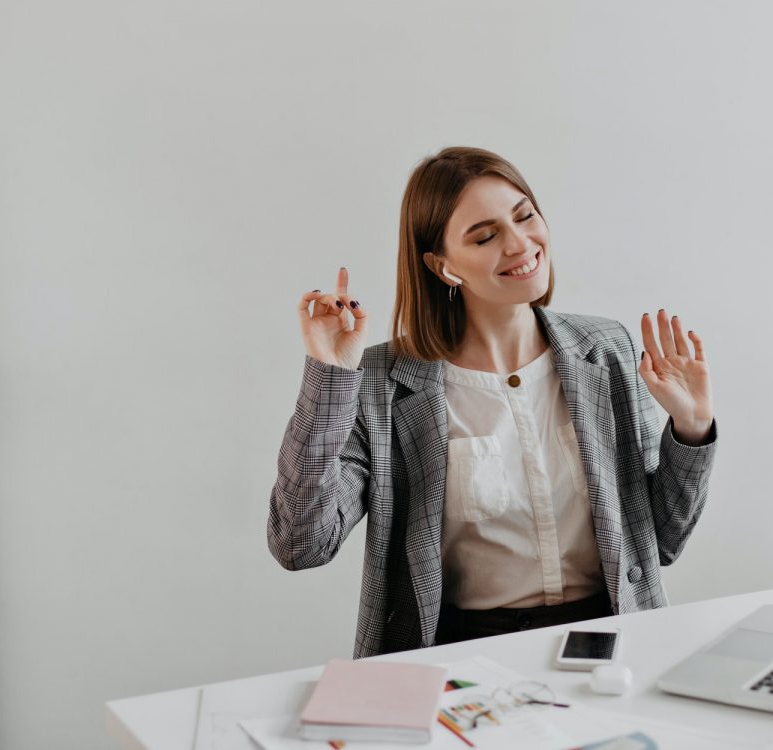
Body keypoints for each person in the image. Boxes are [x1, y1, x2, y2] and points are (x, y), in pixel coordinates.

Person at [269, 146, 717, 658]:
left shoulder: (606, 349)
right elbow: (300, 544)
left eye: (525, 216)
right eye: (485, 236)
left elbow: (661, 542)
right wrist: (330, 376)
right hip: (461, 653)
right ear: (443, 267)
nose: (520, 243)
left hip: (612, 639)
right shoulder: (381, 383)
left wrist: (691, 426)